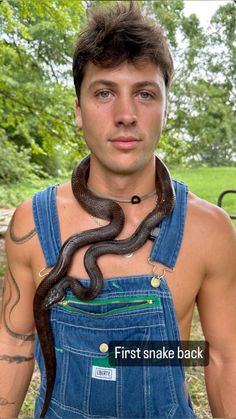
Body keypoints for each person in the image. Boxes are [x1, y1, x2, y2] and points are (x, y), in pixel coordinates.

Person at [0, 1, 236, 418]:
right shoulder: (31, 223)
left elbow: (222, 359)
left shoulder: (209, 230)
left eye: (145, 94)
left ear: (166, 107)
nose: (125, 115)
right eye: (104, 92)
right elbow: (15, 344)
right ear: (78, 110)